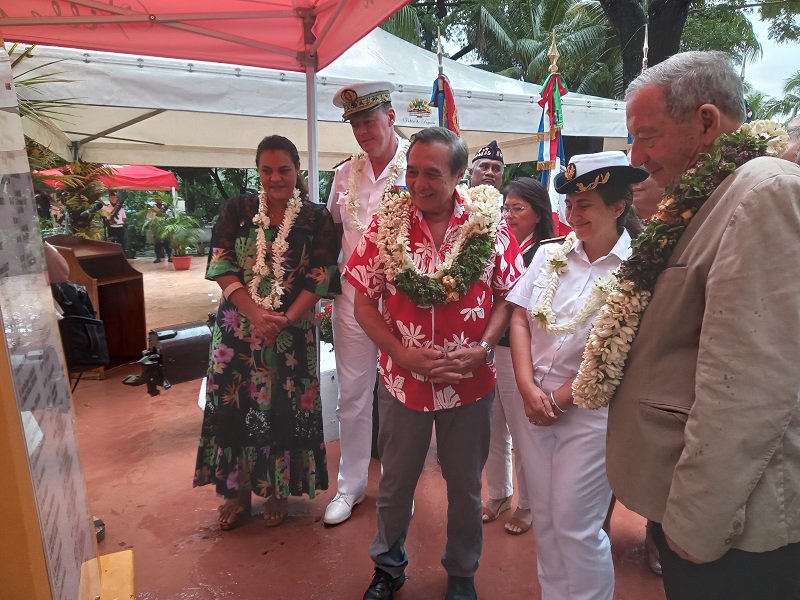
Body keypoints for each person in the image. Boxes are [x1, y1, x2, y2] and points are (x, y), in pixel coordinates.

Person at [602, 51, 800, 599]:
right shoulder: (707, 197)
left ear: (707, 122)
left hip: (731, 531)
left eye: (647, 136)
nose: (636, 158)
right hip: (705, 514)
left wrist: (697, 521)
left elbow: (749, 389)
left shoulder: (762, 190)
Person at [346, 127, 522, 600]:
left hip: (470, 385)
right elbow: (364, 300)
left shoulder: (489, 224)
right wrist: (401, 353)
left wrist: (485, 347)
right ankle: (388, 567)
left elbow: (510, 296)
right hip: (404, 383)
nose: (418, 183)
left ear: (459, 175)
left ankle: (462, 573)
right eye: (412, 171)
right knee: (396, 484)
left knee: (465, 487)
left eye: (432, 174)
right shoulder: (387, 224)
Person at [506, 151, 645, 600]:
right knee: (545, 520)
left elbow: (615, 353)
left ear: (618, 206)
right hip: (534, 405)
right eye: (569, 203)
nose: (573, 214)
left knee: (576, 525)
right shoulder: (549, 255)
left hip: (589, 414)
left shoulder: (638, 270)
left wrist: (557, 400)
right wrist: (527, 388)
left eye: (585, 203)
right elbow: (521, 318)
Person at [193, 135, 339, 531]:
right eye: (267, 170)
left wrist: (286, 319)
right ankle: (237, 493)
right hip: (238, 331)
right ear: (258, 171)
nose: (276, 178)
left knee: (284, 408)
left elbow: (321, 275)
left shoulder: (316, 218)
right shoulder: (237, 210)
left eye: (284, 170)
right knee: (235, 404)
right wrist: (256, 314)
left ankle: (278, 491)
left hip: (292, 335)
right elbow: (221, 263)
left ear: (298, 171)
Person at [324, 81, 409, 526]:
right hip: (353, 300)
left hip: (404, 302)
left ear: (390, 118)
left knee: (400, 396)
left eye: (369, 120)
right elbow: (333, 233)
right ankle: (350, 486)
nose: (362, 130)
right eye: (355, 123)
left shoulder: (419, 164)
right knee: (353, 395)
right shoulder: (344, 173)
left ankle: (399, 485)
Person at [482, 177, 554, 535]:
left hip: (519, 352)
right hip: (488, 346)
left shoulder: (547, 253)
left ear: (539, 214)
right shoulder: (493, 244)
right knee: (492, 425)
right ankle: (498, 493)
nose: (508, 215)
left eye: (517, 208)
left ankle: (527, 503)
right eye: (505, 207)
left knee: (521, 429)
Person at [147, 196, 172, 263]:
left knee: (167, 243)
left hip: (165, 228)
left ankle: (170, 256)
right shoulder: (152, 209)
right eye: (157, 200)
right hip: (156, 228)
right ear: (155, 200)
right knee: (157, 244)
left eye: (159, 199)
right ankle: (158, 258)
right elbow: (149, 218)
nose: (158, 201)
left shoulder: (166, 208)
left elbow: (170, 218)